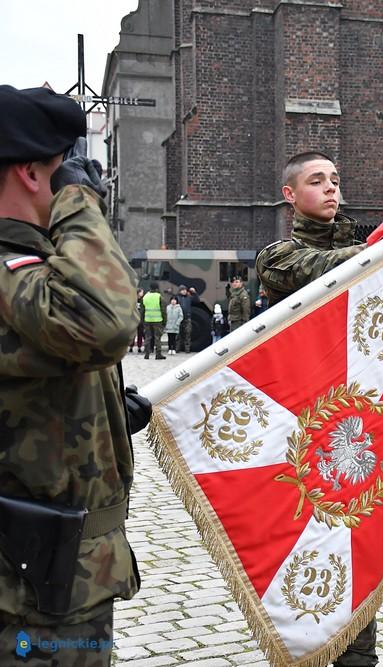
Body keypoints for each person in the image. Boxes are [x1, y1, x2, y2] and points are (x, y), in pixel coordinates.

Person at [255, 150, 383, 667]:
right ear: (290, 195)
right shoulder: (277, 256)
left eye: (335, 179)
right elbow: (328, 270)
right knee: (308, 541)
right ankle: (305, 642)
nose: (331, 188)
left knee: (358, 540)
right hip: (302, 426)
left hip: (357, 422)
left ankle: (358, 654)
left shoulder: (368, 247)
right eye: (316, 181)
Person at [0, 84, 150, 665]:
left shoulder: (29, 270)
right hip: (31, 587)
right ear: (32, 175)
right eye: (63, 170)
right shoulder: (14, 271)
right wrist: (78, 202)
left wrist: (106, 416)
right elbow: (106, 322)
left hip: (54, 576)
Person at [142, 282, 167, 360]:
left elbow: (142, 310)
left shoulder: (145, 297)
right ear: (157, 288)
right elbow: (163, 310)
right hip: (157, 320)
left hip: (147, 319)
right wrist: (164, 321)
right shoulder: (159, 297)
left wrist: (142, 320)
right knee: (157, 337)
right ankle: (158, 354)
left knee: (147, 337)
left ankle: (146, 354)